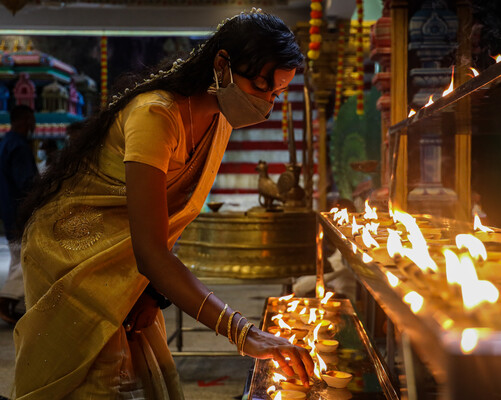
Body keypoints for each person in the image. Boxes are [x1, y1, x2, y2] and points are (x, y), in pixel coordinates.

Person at [13, 10, 313, 399]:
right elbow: (151, 252)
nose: (266, 106)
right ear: (221, 64)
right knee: (94, 378)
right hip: (73, 253)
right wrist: (243, 332)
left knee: (143, 368)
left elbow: (169, 220)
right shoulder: (155, 115)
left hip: (132, 257)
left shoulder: (218, 121)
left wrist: (153, 292)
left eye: (275, 94)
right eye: (259, 87)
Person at [0, 105, 38, 325]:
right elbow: (26, 183)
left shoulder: (6, 143)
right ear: (25, 120)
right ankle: (6, 300)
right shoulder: (19, 147)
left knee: (18, 257)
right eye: (32, 120)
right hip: (20, 210)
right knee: (27, 257)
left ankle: (10, 303)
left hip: (8, 209)